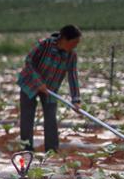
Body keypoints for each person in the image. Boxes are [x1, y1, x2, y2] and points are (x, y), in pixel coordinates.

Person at [18, 24, 82, 153]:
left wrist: (76, 99)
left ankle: (51, 150)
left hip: (51, 88)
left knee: (51, 118)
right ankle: (27, 149)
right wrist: (39, 82)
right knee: (27, 117)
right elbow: (29, 61)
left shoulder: (71, 55)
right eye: (74, 42)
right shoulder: (44, 45)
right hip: (30, 83)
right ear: (65, 39)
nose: (75, 46)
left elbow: (73, 76)